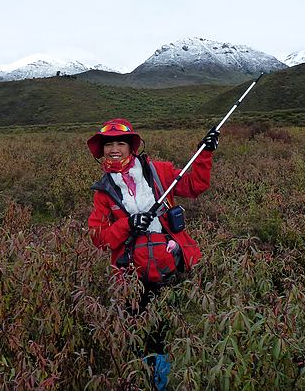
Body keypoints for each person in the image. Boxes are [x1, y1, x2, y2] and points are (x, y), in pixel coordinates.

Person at [86, 118, 219, 390]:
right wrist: (128, 224)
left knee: (166, 328)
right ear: (101, 149)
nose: (114, 149)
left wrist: (205, 153)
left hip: (169, 264)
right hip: (131, 274)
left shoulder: (159, 171)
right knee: (138, 329)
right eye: (109, 143)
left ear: (131, 146)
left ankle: (160, 380)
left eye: (120, 143)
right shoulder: (103, 192)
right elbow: (99, 238)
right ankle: (142, 378)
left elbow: (195, 185)